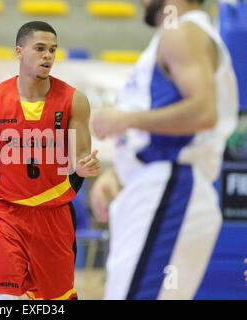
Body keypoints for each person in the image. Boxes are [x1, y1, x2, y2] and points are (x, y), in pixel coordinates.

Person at [90, 0, 238, 299]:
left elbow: (202, 113)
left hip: (170, 186)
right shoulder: (175, 34)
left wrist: (123, 119)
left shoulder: (182, 31)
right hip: (158, 185)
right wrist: (120, 175)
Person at [0, 21, 101, 300]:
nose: (48, 56)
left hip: (53, 217)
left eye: (53, 50)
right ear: (19, 52)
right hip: (7, 213)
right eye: (40, 49)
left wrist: (82, 165)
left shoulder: (75, 101)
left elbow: (80, 155)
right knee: (4, 299)